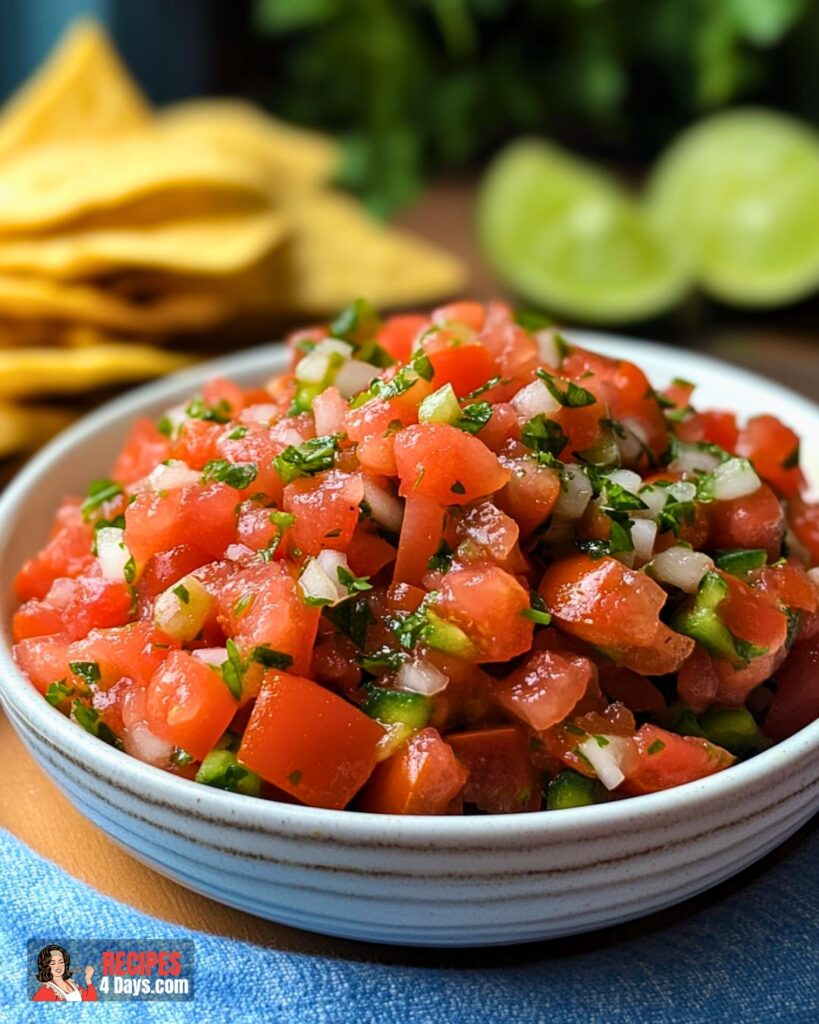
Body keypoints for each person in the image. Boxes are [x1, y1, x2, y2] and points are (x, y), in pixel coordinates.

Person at [32, 945, 98, 1002]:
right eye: (53, 963)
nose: (58, 966)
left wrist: (88, 979)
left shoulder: (71, 983)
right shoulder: (46, 991)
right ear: (46, 966)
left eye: (61, 962)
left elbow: (92, 1001)